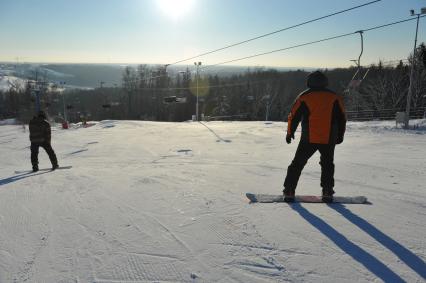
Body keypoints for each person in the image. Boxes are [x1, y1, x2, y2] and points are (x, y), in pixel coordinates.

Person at [283, 71, 346, 203]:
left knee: (297, 163)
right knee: (327, 164)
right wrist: (340, 135)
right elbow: (342, 118)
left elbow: (293, 116)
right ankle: (327, 191)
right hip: (329, 137)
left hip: (309, 137)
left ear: (309, 82)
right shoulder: (334, 97)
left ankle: (289, 190)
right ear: (325, 82)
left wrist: (290, 132)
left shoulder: (304, 96)